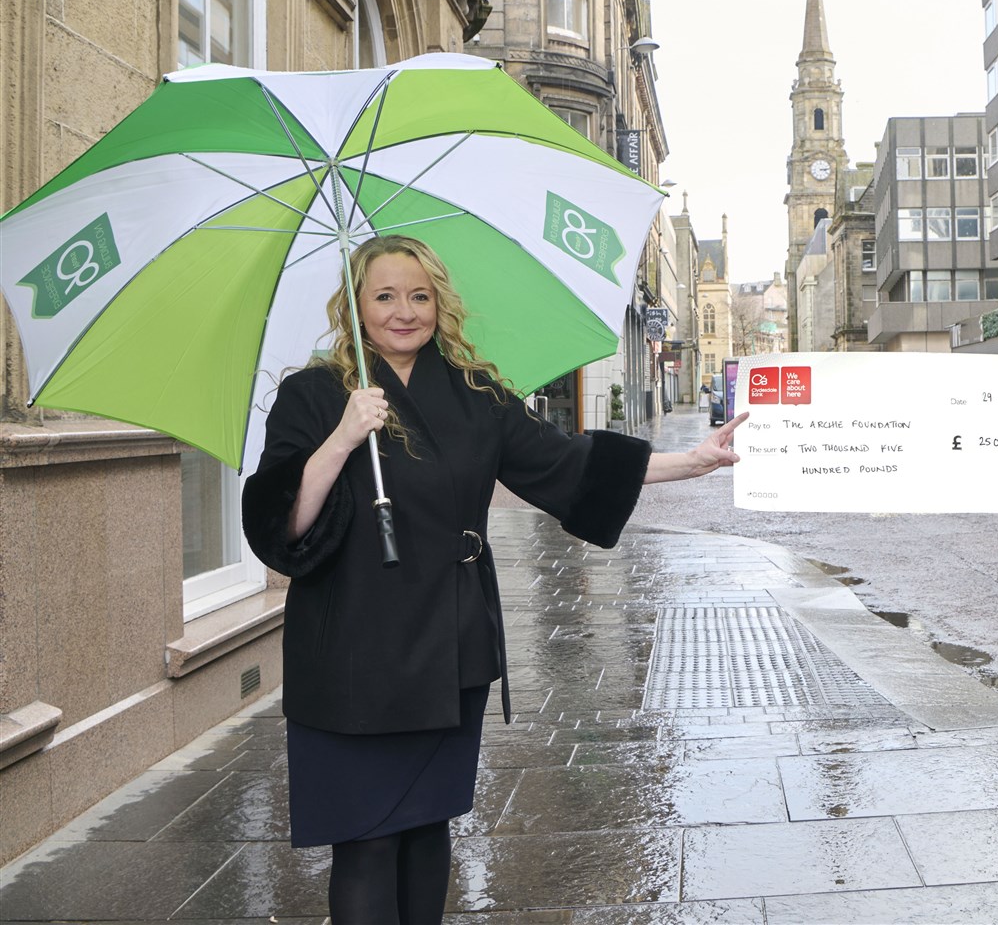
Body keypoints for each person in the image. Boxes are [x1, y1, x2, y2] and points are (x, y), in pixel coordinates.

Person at [241, 235, 745, 925]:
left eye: (419, 295)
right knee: (367, 840)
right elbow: (281, 529)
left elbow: (565, 464)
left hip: (449, 645)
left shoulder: (475, 394)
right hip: (351, 652)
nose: (404, 311)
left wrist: (689, 462)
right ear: (355, 305)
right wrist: (341, 439)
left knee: (426, 830)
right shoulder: (314, 395)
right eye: (384, 295)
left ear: (439, 302)